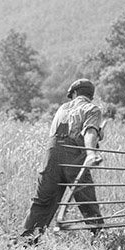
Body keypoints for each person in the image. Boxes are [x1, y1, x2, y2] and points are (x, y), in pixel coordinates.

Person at [20, 79, 104, 240]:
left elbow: (73, 129)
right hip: (73, 155)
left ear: (74, 93)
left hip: (51, 155)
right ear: (90, 96)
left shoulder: (62, 108)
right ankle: (99, 235)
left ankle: (27, 238)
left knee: (44, 198)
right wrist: (92, 152)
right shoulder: (92, 108)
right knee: (85, 196)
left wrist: (96, 134)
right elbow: (89, 132)